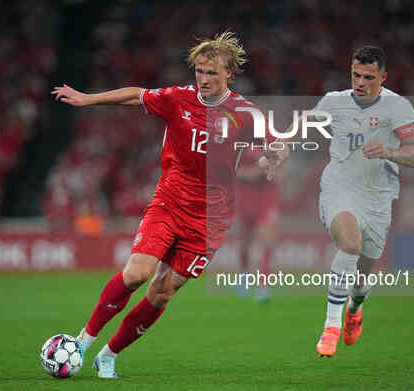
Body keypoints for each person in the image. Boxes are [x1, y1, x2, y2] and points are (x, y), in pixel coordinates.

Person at [51, 31, 279, 379]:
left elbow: (278, 146)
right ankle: (81, 342)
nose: (203, 79)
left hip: (209, 219)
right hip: (169, 202)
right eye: (199, 71)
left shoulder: (246, 113)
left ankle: (109, 355)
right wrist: (87, 99)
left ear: (229, 73)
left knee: (161, 291)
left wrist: (273, 158)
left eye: (211, 73)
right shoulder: (178, 99)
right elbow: (136, 95)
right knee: (137, 274)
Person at [311, 46, 414, 357]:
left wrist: (389, 152)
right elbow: (304, 125)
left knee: (361, 279)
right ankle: (331, 326)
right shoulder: (334, 102)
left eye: (368, 77)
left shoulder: (396, 108)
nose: (360, 82)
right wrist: (280, 148)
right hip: (339, 187)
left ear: (383, 77)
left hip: (378, 198)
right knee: (350, 244)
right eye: (356, 75)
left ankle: (355, 308)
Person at [235, 146, 280, 302]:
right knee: (245, 242)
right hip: (246, 197)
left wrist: (270, 173)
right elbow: (231, 169)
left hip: (267, 198)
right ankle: (244, 278)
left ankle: (263, 287)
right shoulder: (240, 142)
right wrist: (250, 174)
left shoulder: (275, 142)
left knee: (266, 241)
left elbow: (282, 172)